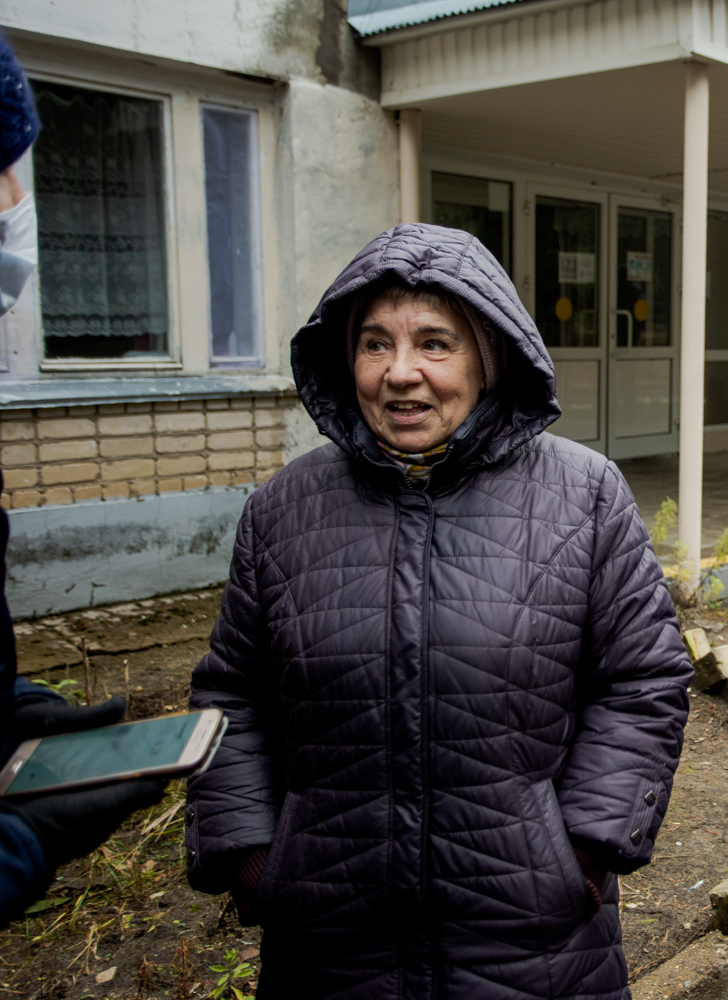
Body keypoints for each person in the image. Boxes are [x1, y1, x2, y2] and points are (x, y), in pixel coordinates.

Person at [185, 223, 693, 998]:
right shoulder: (281, 511)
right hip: (329, 945)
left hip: (535, 944)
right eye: (374, 344)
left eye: (434, 343)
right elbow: (232, 695)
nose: (401, 374)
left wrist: (584, 850)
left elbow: (641, 679)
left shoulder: (584, 496)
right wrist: (253, 858)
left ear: (488, 359)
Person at [0, 31, 166, 924]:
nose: (18, 204)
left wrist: (11, 713)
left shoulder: (579, 495)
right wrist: (15, 846)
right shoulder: (291, 510)